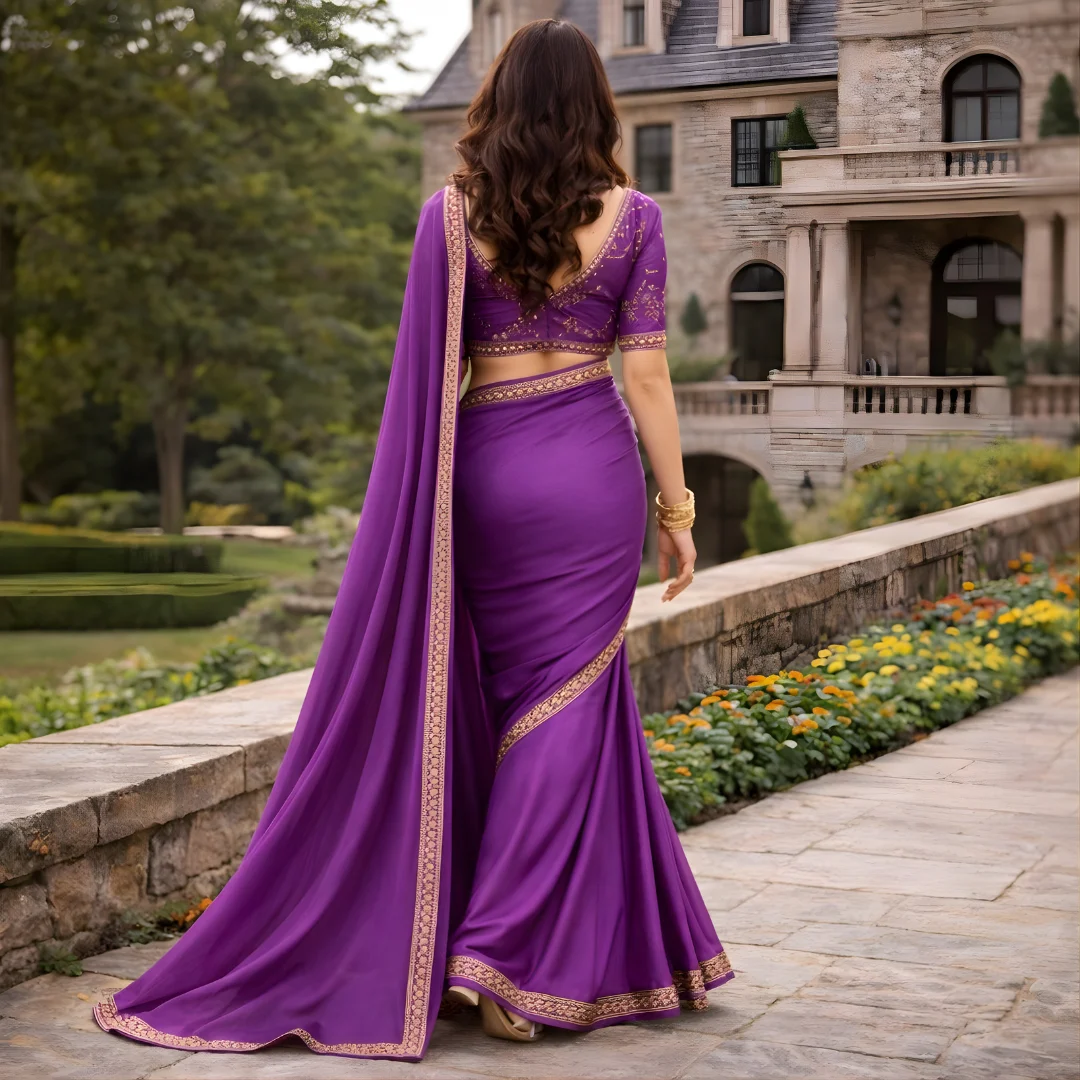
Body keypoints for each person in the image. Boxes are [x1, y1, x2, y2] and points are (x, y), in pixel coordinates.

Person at [94, 18, 731, 1060]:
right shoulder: (636, 216)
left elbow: (427, 376)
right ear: (596, 106)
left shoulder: (452, 214)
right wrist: (677, 509)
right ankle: (502, 959)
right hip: (589, 473)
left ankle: (519, 946)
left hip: (482, 472)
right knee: (563, 706)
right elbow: (648, 376)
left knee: (502, 700)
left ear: (503, 101)